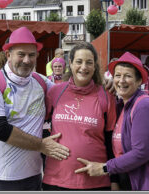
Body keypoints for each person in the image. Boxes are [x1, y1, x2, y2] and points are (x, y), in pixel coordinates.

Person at [0, 27, 70, 191]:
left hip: (32, 176)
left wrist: (105, 87)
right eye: (21, 54)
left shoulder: (41, 82)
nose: (26, 60)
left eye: (31, 55)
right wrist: (41, 145)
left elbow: (70, 95)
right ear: (8, 55)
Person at [74, 52, 149, 191]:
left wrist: (104, 168)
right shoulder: (122, 105)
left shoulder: (144, 106)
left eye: (128, 76)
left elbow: (141, 153)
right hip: (129, 179)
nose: (121, 81)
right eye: (117, 75)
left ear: (139, 81)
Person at [42, 42, 117, 190]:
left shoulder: (106, 95)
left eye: (89, 62)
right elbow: (39, 125)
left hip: (96, 182)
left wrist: (114, 179)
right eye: (79, 61)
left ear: (95, 66)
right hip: (56, 180)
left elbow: (111, 142)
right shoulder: (55, 92)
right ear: (70, 63)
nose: (84, 67)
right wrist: (42, 144)